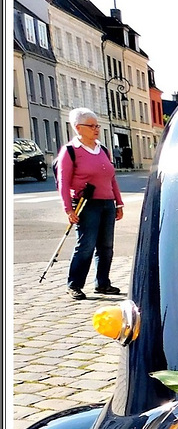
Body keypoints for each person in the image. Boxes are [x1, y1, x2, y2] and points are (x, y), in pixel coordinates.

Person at [57, 108, 125, 300]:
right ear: (78, 128)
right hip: (86, 204)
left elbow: (111, 178)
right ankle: (74, 284)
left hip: (107, 203)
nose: (96, 129)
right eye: (92, 126)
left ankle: (103, 283)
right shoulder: (70, 151)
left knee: (106, 246)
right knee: (86, 245)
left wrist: (118, 203)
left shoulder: (102, 149)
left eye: (97, 125)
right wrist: (68, 209)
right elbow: (63, 182)